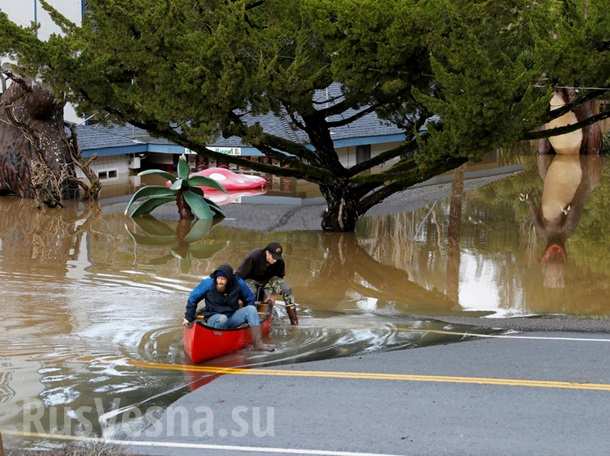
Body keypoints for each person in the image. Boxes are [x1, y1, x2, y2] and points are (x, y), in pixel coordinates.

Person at [182, 264, 273, 351]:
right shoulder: (208, 283)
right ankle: (216, 342)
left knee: (251, 309)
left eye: (223, 279)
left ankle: (258, 344)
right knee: (222, 318)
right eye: (218, 278)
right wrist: (188, 317)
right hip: (213, 318)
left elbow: (250, 298)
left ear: (229, 280)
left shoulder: (238, 283)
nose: (220, 281)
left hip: (231, 317)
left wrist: (250, 320)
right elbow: (192, 298)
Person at [236, 242, 299, 326]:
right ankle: (244, 318)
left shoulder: (279, 261)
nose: (274, 260)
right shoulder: (253, 257)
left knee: (286, 289)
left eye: (277, 258)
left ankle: (294, 322)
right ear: (267, 252)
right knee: (249, 294)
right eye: (273, 257)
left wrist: (273, 294)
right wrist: (237, 295)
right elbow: (239, 277)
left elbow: (279, 279)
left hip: (268, 282)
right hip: (251, 280)